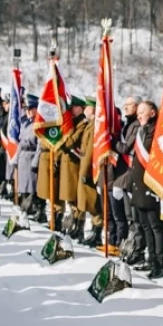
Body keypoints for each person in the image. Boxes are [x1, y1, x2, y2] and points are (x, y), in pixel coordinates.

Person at [131, 100, 163, 278]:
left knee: (156, 227)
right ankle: (151, 260)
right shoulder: (142, 131)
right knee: (145, 226)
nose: (138, 115)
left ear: (152, 113)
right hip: (139, 187)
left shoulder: (157, 132)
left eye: (142, 112)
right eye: (138, 112)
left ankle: (160, 264)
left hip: (151, 187)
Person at [109, 98, 141, 259]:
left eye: (128, 105)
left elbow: (126, 147)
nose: (125, 107)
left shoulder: (135, 125)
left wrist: (111, 141)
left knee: (132, 217)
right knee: (122, 214)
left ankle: (133, 248)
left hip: (131, 173)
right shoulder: (128, 124)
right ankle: (123, 243)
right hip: (123, 172)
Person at [56, 96, 89, 238]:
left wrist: (65, 139)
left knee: (76, 198)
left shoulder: (82, 123)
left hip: (74, 165)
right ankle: (74, 222)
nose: (71, 110)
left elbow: (71, 142)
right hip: (67, 164)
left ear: (80, 108)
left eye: (74, 107)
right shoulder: (74, 122)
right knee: (70, 197)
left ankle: (79, 226)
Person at [77, 97, 102, 247]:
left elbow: (90, 151)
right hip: (85, 167)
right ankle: (94, 232)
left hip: (89, 170)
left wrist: (85, 172)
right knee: (88, 202)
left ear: (92, 109)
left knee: (93, 203)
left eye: (86, 107)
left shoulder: (93, 126)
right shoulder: (90, 124)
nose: (84, 109)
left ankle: (97, 233)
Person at [17, 95, 45, 221]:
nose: (28, 111)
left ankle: (37, 209)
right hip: (23, 157)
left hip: (32, 156)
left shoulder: (38, 123)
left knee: (33, 186)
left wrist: (36, 161)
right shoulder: (24, 123)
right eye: (27, 108)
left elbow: (40, 145)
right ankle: (26, 207)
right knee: (24, 186)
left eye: (31, 108)